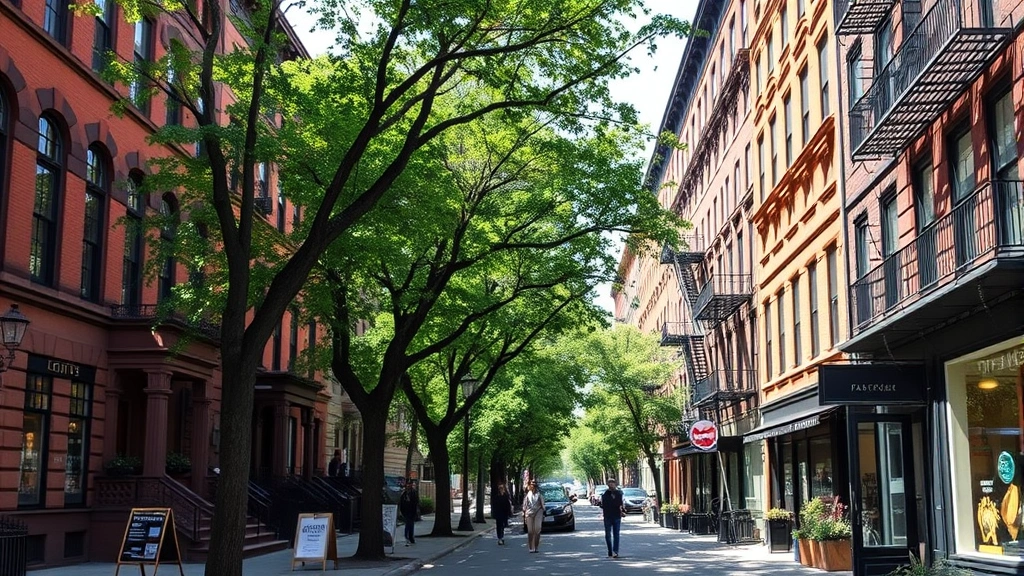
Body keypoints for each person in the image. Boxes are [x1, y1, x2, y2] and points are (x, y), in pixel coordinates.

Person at [600, 478, 626, 558]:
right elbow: (603, 505)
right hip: (607, 516)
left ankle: (615, 551)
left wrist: (622, 511)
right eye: (610, 483)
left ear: (615, 484)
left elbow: (620, 504)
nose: (611, 484)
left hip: (616, 516)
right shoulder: (605, 494)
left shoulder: (619, 493)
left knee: (616, 534)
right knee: (608, 535)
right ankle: (610, 551)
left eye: (613, 483)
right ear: (607, 484)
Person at [522, 480, 545, 553]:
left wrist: (543, 510)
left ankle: (536, 546)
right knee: (530, 531)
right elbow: (524, 506)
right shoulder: (527, 495)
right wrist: (524, 513)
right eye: (531, 485)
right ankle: (531, 547)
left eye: (534, 485)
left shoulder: (539, 494)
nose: (532, 486)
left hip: (538, 512)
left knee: (537, 529)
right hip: (529, 513)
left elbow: (542, 504)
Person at [399, 480, 420, 546]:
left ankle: (410, 537)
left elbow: (416, 502)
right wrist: (402, 511)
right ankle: (407, 537)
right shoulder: (404, 493)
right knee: (408, 524)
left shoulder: (414, 492)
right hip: (406, 511)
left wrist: (416, 510)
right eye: (408, 484)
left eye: (410, 484)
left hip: (412, 510)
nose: (409, 485)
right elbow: (401, 502)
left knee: (411, 524)